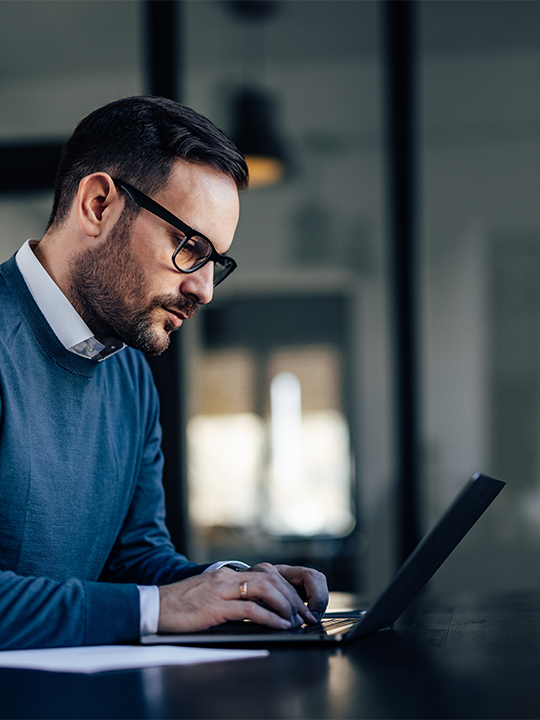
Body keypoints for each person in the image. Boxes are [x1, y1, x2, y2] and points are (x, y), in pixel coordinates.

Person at [0, 96, 328, 650]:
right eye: (187, 246)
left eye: (215, 262)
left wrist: (237, 584)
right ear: (98, 205)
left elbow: (135, 560)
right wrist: (159, 607)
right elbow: (148, 603)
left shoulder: (129, 374)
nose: (202, 288)